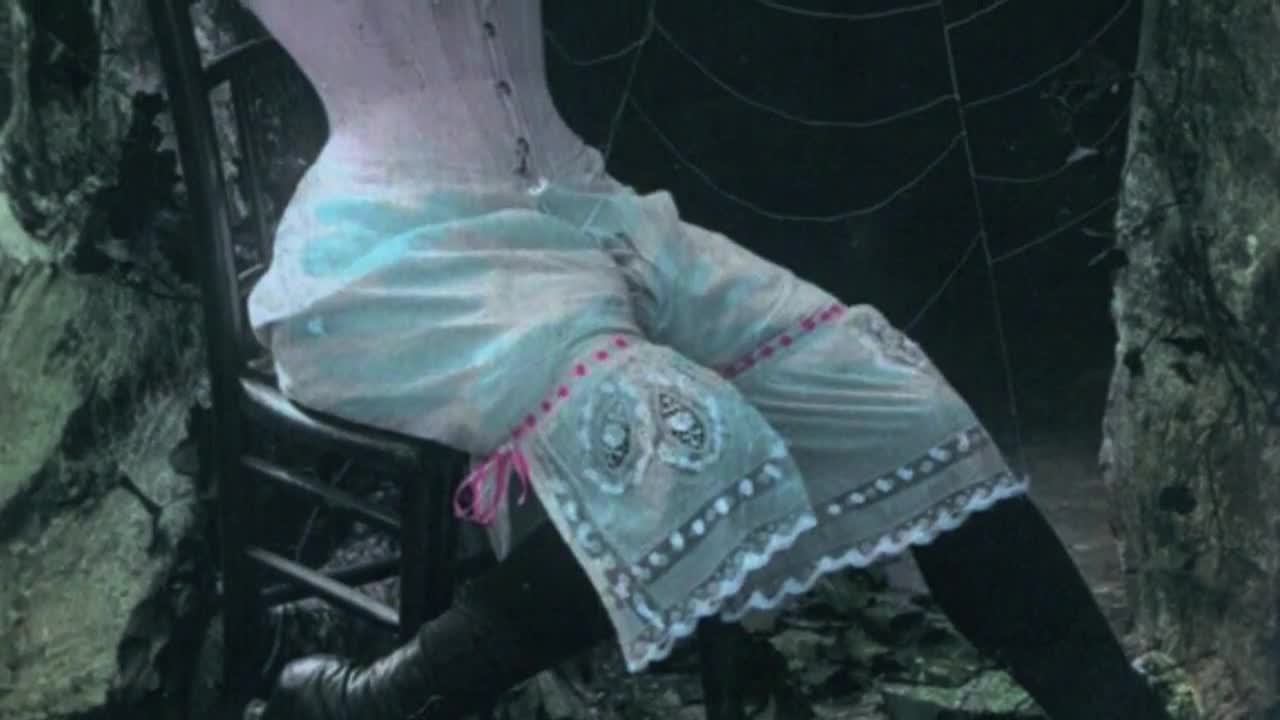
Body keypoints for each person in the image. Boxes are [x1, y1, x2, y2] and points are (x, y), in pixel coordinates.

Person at [237, 1, 1176, 718]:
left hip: (585, 212)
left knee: (901, 408)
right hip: (407, 251)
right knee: (679, 448)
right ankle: (383, 700)